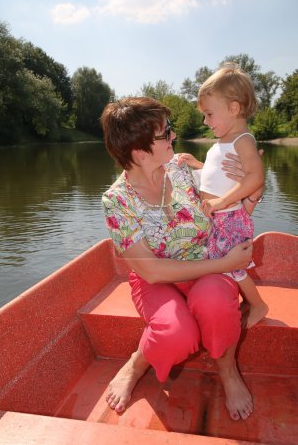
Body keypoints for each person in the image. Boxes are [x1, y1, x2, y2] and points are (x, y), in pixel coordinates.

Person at [101, 96, 257, 422]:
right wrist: (225, 264)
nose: (173, 136)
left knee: (215, 303)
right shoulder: (117, 201)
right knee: (176, 334)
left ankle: (228, 372)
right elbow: (153, 272)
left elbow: (222, 203)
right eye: (166, 133)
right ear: (140, 152)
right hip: (157, 279)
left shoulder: (182, 169)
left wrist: (247, 185)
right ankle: (137, 361)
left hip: (206, 265)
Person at [178, 64, 268, 329]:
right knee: (223, 262)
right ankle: (242, 300)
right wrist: (198, 165)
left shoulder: (243, 140)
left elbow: (256, 177)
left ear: (234, 108)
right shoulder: (224, 141)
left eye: (209, 114)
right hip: (220, 217)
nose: (205, 122)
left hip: (229, 216)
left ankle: (259, 304)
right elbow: (218, 175)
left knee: (232, 265)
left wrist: (222, 202)